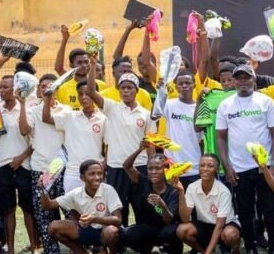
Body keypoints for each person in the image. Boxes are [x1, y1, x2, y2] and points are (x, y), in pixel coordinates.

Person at [216, 64, 274, 254]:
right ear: (234, 81)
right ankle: (251, 251)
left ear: (254, 79)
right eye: (239, 78)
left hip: (263, 167)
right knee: (245, 213)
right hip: (238, 169)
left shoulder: (266, 102)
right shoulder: (226, 105)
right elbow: (221, 137)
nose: (243, 81)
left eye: (247, 77)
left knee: (270, 210)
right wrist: (227, 166)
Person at [85, 56, 154, 226]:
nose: (125, 91)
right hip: (116, 167)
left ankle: (143, 246)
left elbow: (150, 143)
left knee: (142, 206)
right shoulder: (112, 108)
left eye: (130, 87)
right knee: (118, 207)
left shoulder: (146, 114)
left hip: (140, 166)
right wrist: (93, 67)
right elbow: (92, 92)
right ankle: (120, 244)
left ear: (136, 90)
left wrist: (152, 166)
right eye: (122, 88)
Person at [39, 160, 123, 254]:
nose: (97, 177)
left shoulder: (108, 190)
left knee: (112, 230)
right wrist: (43, 188)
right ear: (82, 177)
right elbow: (47, 205)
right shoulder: (75, 193)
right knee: (53, 227)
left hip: (105, 233)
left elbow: (118, 220)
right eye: (92, 174)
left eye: (100, 173)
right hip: (86, 231)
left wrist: (94, 218)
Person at [0, 75, 34, 254]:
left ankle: (34, 247)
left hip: (23, 166)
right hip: (1, 166)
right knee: (8, 210)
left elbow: (27, 135)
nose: (0, 90)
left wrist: (21, 158)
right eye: (0, 87)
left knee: (28, 209)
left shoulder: (29, 109)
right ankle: (11, 251)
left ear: (15, 89)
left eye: (5, 87)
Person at [19, 74, 66, 254]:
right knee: (43, 211)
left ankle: (75, 247)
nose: (46, 89)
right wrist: (21, 103)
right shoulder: (32, 110)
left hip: (61, 167)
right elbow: (24, 130)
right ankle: (51, 250)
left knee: (68, 208)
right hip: (40, 168)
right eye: (42, 86)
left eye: (50, 86)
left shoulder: (66, 111)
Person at [109, 147, 180, 254]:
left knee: (170, 231)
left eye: (157, 168)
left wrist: (162, 205)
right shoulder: (143, 182)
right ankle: (145, 251)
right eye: (150, 168)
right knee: (125, 234)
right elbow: (127, 166)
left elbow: (169, 220)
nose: (153, 172)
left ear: (165, 169)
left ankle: (171, 252)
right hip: (147, 228)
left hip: (166, 230)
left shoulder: (172, 190)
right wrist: (140, 149)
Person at [174, 154, 242, 254]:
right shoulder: (192, 187)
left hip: (225, 226)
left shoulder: (223, 191)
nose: (205, 169)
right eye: (202, 165)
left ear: (216, 169)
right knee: (182, 230)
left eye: (210, 166)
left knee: (231, 234)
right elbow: (185, 219)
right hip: (205, 225)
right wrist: (180, 192)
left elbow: (220, 225)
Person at [43, 81, 105, 194]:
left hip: (96, 172)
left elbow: (108, 145)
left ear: (96, 94)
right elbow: (46, 118)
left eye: (87, 93)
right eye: (80, 94)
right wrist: (47, 98)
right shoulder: (70, 116)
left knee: (96, 209)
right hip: (73, 173)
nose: (83, 97)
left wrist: (104, 166)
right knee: (74, 210)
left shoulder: (103, 119)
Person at [54, 26, 106, 110]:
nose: (84, 65)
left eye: (86, 62)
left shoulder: (101, 85)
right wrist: (64, 40)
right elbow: (58, 68)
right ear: (71, 64)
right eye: (79, 63)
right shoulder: (64, 88)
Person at [164, 73, 202, 187]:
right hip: (173, 167)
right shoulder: (169, 105)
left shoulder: (201, 108)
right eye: (180, 83)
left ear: (194, 85)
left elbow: (201, 134)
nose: (184, 86)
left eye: (188, 83)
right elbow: (154, 115)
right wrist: (161, 91)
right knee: (175, 204)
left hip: (194, 166)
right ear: (175, 87)